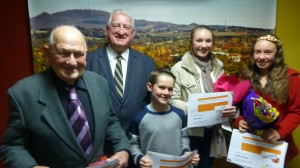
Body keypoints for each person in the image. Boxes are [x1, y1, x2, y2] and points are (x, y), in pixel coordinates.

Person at [0, 25, 130, 168]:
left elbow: (111, 122)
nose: (72, 62)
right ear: (47, 53)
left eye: (79, 54)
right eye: (64, 53)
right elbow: (12, 146)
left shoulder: (99, 83)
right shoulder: (23, 93)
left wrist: (123, 149)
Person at [170, 25, 238, 168]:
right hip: (190, 133)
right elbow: (173, 101)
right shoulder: (178, 68)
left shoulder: (219, 66)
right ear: (191, 42)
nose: (203, 45)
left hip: (214, 131)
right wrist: (200, 108)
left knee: (206, 165)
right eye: (199, 40)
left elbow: (226, 96)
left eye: (208, 41)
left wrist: (232, 110)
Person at [86, 9, 155, 136]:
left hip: (137, 139)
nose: (121, 31)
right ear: (106, 30)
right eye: (116, 26)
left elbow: (151, 103)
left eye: (126, 27)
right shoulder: (88, 61)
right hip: (99, 140)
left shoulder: (147, 63)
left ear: (133, 33)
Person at [235, 34, 300, 164]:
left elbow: (297, 111)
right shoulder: (244, 76)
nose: (262, 57)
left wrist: (280, 131)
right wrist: (239, 120)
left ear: (277, 55)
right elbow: (238, 107)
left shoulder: (291, 78)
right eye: (257, 52)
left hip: (275, 143)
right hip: (249, 142)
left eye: (268, 52)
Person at [129, 68, 200, 168]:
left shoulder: (179, 114)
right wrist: (139, 158)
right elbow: (133, 144)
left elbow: (184, 138)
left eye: (170, 89)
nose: (166, 92)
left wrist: (186, 153)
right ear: (150, 87)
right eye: (161, 87)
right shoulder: (139, 118)